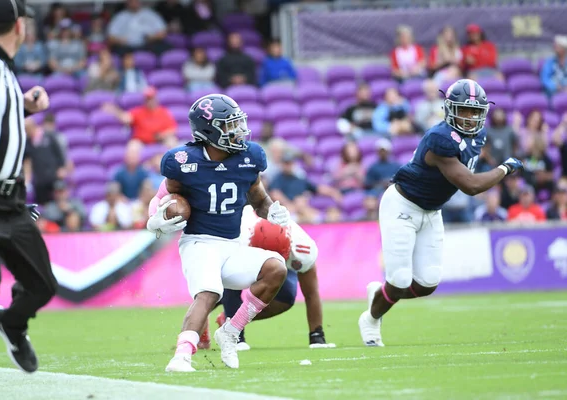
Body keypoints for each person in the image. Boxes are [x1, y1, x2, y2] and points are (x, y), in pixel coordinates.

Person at [358, 79, 523, 347]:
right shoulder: (440, 139)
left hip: (432, 210)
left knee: (427, 283)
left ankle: (380, 293)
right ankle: (371, 318)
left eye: (475, 112)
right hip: (403, 205)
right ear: (449, 109)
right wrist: (506, 168)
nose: (469, 118)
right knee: (399, 279)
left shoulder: (478, 136)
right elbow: (470, 185)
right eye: (464, 110)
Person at [145, 94, 290, 372]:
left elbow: (258, 199)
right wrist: (155, 219)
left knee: (276, 268)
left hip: (231, 245)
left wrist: (272, 211)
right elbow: (163, 197)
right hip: (199, 242)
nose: (237, 131)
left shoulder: (249, 157)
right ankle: (181, 356)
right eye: (228, 126)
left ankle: (231, 331)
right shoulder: (183, 161)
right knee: (209, 292)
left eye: (238, 124)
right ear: (209, 130)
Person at [0, 1, 58, 398]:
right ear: (20, 26)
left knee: (41, 284)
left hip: (11, 204)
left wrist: (25, 105)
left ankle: (12, 324)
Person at [213, 206, 335, 350]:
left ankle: (228, 320)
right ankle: (232, 335)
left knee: (285, 298)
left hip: (273, 257)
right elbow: (221, 280)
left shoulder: (303, 247)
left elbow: (311, 293)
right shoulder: (239, 238)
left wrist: (317, 336)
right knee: (225, 285)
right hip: (245, 252)